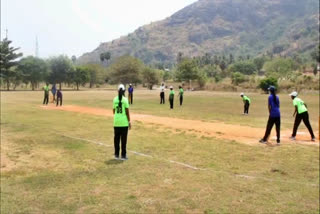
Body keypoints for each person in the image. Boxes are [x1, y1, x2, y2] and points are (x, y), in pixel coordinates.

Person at [113, 84, 131, 160]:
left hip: (116, 122)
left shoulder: (114, 99)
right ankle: (123, 155)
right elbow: (127, 112)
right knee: (124, 140)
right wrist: (129, 121)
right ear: (124, 91)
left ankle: (116, 155)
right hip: (124, 123)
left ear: (118, 91)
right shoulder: (125, 100)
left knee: (116, 140)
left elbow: (114, 111)